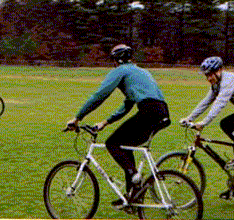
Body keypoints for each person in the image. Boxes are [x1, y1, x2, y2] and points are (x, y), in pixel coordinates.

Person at [66, 44, 171, 209]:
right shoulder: (140, 71)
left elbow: (100, 95)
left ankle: (135, 178)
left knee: (112, 143)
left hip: (149, 110)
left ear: (116, 60)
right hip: (162, 112)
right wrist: (106, 122)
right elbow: (128, 105)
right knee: (125, 145)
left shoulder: (121, 71)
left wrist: (77, 117)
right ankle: (132, 196)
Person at [180, 56, 234, 198]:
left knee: (226, 124)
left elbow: (220, 103)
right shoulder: (216, 84)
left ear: (220, 70)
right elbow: (206, 101)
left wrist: (204, 123)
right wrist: (190, 118)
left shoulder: (228, 81)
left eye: (210, 74)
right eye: (206, 75)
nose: (208, 78)